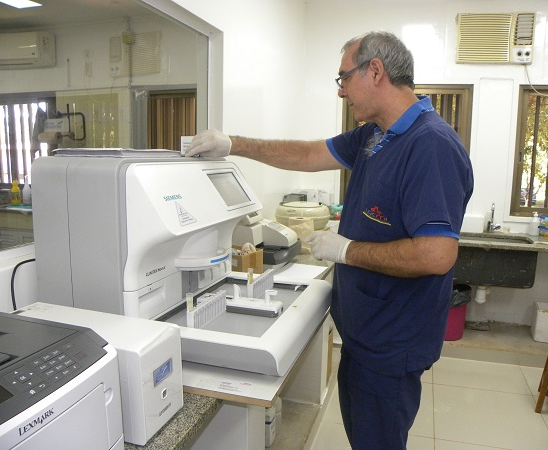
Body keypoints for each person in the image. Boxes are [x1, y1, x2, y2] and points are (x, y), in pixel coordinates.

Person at [186, 31, 473, 450]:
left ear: (375, 71)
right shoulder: (376, 135)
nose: (341, 91)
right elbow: (306, 154)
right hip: (364, 333)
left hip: (391, 342)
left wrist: (346, 250)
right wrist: (232, 144)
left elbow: (436, 255)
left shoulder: (429, 144)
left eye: (344, 78)